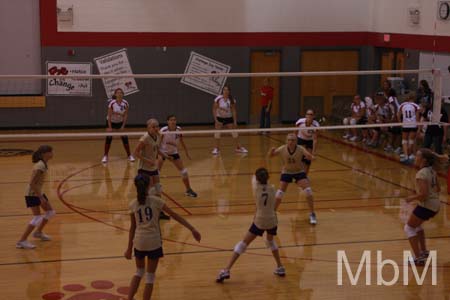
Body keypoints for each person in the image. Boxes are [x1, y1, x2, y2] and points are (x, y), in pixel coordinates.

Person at [125, 174, 201, 300]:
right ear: (149, 185)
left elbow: (132, 228)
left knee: (139, 272)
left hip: (139, 241)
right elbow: (174, 215)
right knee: (150, 277)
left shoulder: (133, 204)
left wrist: (128, 249)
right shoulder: (157, 201)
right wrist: (192, 229)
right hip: (153, 241)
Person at [216, 167, 285, 283]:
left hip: (260, 220)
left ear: (257, 179)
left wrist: (257, 176)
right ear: (268, 178)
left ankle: (226, 270)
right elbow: (269, 186)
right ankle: (280, 267)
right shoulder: (273, 188)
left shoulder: (256, 188)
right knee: (270, 241)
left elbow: (254, 179)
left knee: (243, 244)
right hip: (272, 220)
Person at [403, 148, 445, 265]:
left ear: (424, 160)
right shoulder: (432, 170)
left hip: (426, 206)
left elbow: (424, 195)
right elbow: (438, 189)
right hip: (435, 205)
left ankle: (418, 258)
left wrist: (411, 198)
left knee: (409, 228)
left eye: (417, 156)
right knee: (417, 226)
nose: (415, 158)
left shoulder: (421, 173)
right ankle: (424, 251)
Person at [269, 133, 317, 225]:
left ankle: (312, 214)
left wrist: (312, 157)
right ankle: (272, 214)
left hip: (299, 172)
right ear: (286, 141)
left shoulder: (300, 149)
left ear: (296, 141)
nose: (290, 142)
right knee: (280, 193)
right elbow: (271, 156)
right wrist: (271, 152)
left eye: (293, 140)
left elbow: (308, 155)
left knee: (308, 191)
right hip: (287, 172)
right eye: (289, 140)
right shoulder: (282, 148)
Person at [16, 145, 56, 249]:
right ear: (44, 154)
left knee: (50, 212)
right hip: (32, 193)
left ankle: (38, 232)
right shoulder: (40, 166)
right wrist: (41, 198)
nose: (52, 153)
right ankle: (22, 241)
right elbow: (32, 183)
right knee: (37, 217)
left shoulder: (43, 164)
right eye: (50, 152)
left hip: (38, 192)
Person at [134, 119, 172, 220]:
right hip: (144, 168)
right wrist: (147, 160)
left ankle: (159, 212)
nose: (156, 128)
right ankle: (148, 212)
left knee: (158, 189)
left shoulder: (158, 136)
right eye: (153, 127)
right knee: (150, 191)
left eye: (157, 126)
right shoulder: (144, 138)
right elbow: (136, 153)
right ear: (148, 128)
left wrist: (166, 156)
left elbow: (157, 149)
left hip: (153, 167)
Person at [158, 115, 198, 197]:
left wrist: (186, 152)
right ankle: (155, 190)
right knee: (156, 172)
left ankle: (188, 190)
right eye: (171, 120)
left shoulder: (179, 129)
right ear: (167, 121)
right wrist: (158, 154)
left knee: (184, 172)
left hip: (173, 152)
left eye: (174, 120)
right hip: (163, 152)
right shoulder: (163, 130)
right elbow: (158, 143)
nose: (173, 121)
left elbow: (181, 141)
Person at [211, 85, 248, 155]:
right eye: (224, 90)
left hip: (228, 118)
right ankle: (216, 148)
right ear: (222, 91)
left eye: (227, 90)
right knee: (217, 133)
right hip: (219, 118)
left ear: (229, 91)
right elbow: (214, 109)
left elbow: (234, 111)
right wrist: (216, 120)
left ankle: (238, 148)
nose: (225, 91)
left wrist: (235, 121)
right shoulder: (218, 98)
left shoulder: (231, 100)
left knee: (234, 133)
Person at [102, 88, 134, 163]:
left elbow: (125, 115)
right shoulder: (112, 103)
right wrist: (110, 127)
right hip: (111, 122)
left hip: (120, 122)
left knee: (124, 137)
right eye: (118, 93)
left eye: (121, 93)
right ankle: (105, 156)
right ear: (115, 94)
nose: (119, 94)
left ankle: (129, 155)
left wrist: (123, 126)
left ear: (123, 94)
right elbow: (109, 116)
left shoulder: (125, 103)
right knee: (109, 137)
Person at [295, 109, 319, 174]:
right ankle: (299, 174)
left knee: (308, 159)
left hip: (309, 140)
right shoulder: (300, 122)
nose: (309, 116)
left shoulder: (315, 125)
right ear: (305, 115)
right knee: (301, 158)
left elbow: (315, 140)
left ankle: (305, 176)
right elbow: (295, 133)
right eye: (307, 114)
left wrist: (313, 153)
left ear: (313, 116)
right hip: (301, 139)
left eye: (311, 114)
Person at [398, 93, 420, 163]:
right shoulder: (416, 106)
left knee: (404, 140)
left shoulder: (402, 105)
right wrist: (418, 126)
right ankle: (410, 155)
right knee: (411, 140)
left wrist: (400, 123)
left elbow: (398, 114)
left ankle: (406, 155)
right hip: (413, 125)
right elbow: (417, 117)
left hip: (405, 125)